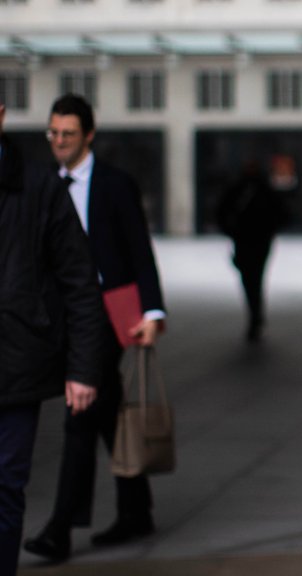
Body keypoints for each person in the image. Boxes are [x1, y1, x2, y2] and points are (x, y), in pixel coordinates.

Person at [24, 94, 166, 562]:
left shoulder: (114, 185)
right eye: (52, 133)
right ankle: (136, 509)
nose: (58, 142)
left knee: (80, 411)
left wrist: (152, 312)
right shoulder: (41, 184)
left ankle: (60, 529)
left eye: (67, 134)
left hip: (108, 314)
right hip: (59, 314)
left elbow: (139, 251)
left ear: (88, 135)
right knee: (105, 412)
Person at [0, 104, 105, 574]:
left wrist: (82, 369)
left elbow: (80, 281)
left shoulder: (39, 185)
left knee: (5, 486)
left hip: (16, 364)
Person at [216, 162, 288, 342]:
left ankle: (255, 315)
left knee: (251, 279)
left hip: (251, 241)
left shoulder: (249, 190)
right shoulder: (258, 190)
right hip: (252, 241)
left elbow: (221, 212)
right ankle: (256, 314)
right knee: (254, 278)